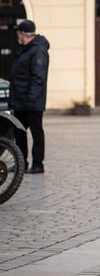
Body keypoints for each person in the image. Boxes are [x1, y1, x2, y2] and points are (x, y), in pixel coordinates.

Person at [9, 19, 49, 174]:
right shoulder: (26, 49)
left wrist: (32, 99)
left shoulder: (38, 50)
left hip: (32, 102)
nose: (18, 36)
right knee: (19, 132)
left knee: (36, 132)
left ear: (24, 34)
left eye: (19, 33)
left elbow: (38, 78)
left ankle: (38, 164)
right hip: (20, 101)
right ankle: (21, 163)